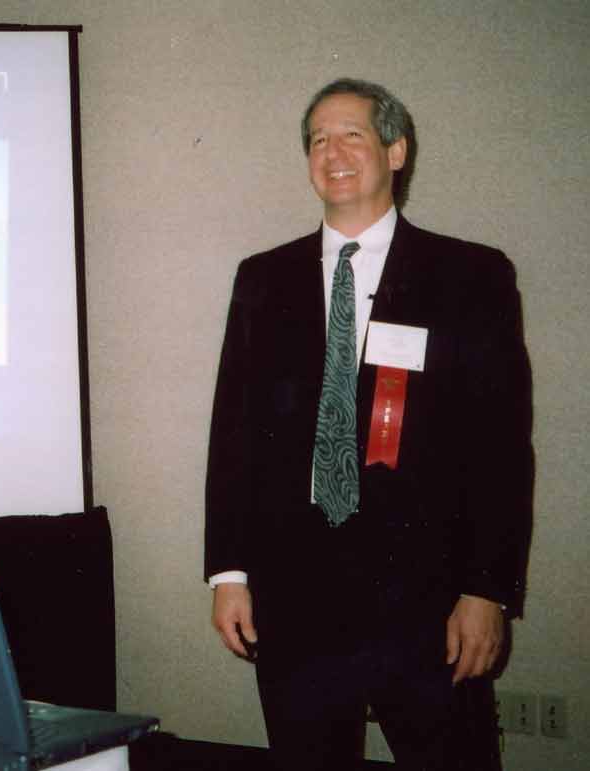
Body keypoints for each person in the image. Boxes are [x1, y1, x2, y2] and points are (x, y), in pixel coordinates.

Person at [204, 78, 532, 770]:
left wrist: (485, 589)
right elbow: (232, 432)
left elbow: (499, 447)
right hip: (294, 599)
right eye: (317, 139)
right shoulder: (261, 278)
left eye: (351, 133)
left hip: (427, 601)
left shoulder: (469, 275)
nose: (333, 151)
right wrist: (228, 572)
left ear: (396, 148)